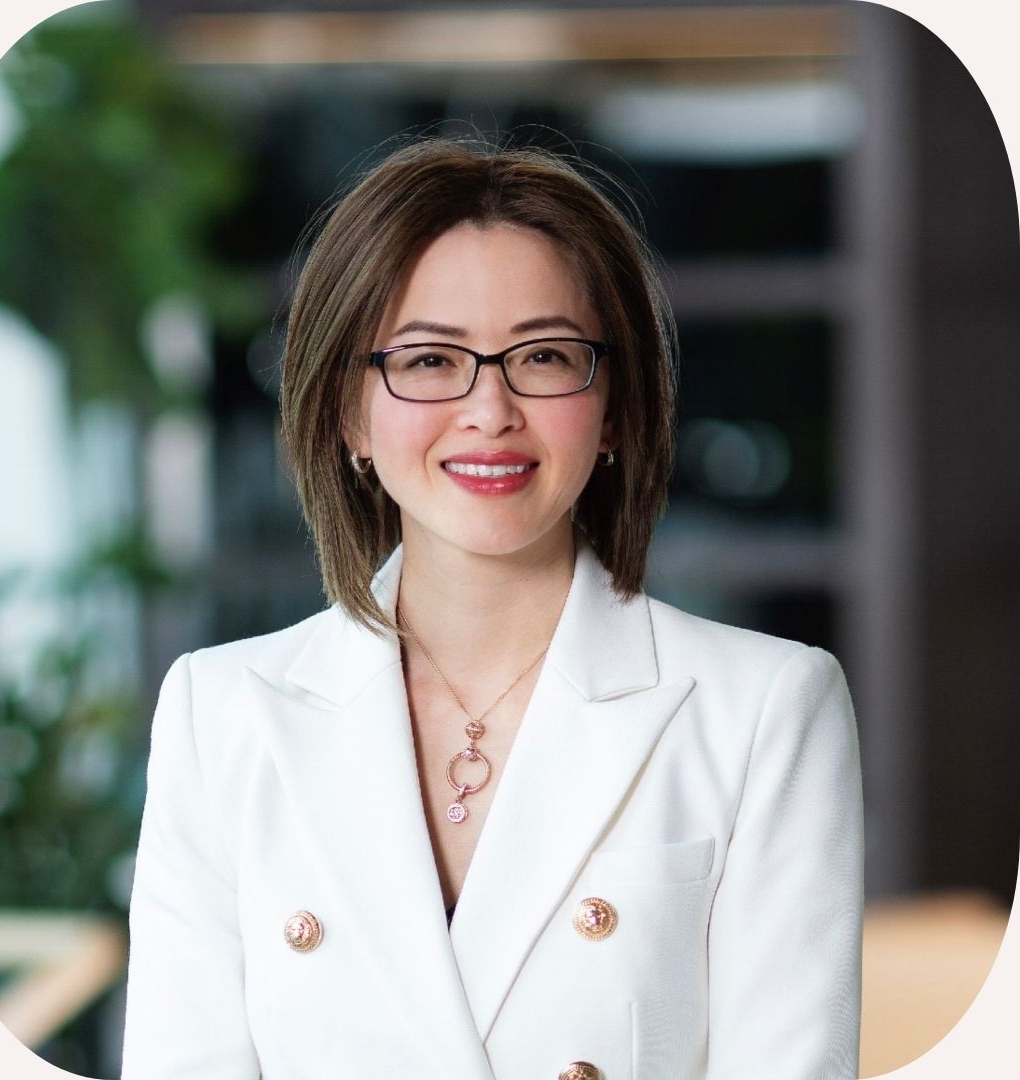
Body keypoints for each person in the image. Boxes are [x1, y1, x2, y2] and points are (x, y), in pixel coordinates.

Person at [121, 138, 863, 1080]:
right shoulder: (221, 713)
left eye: (545, 356)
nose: (489, 410)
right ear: (349, 414)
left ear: (617, 407)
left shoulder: (765, 712)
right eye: (430, 360)